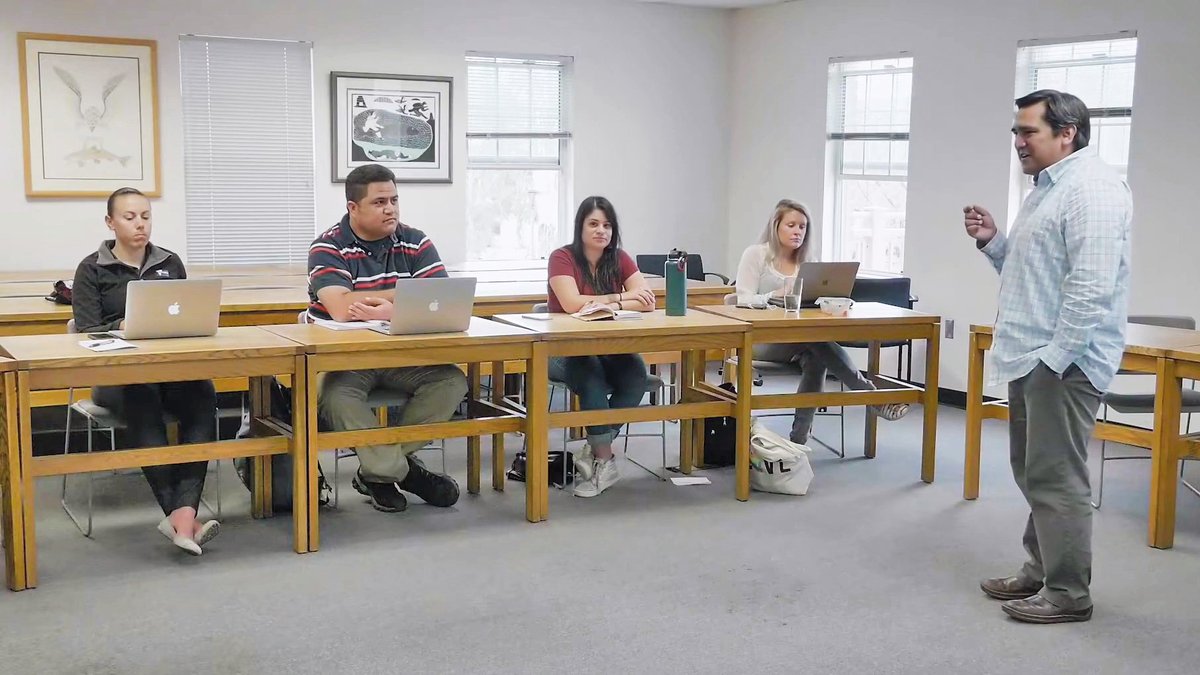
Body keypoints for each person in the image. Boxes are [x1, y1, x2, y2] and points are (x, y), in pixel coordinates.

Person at [966, 89, 1132, 624]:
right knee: (1035, 471)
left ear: (1068, 133)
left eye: (1028, 131)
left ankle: (1068, 593)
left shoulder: (1094, 189)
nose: (1018, 141)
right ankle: (1040, 569)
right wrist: (994, 242)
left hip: (1062, 361)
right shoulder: (1047, 188)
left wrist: (1056, 359)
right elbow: (1032, 273)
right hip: (1031, 353)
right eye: (1016, 132)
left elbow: (1090, 288)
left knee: (1055, 476)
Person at [308, 164, 468, 513]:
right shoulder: (327, 246)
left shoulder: (415, 240)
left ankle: (378, 471)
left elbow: (442, 298)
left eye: (394, 200)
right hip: (344, 362)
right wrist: (408, 295)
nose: (391, 209)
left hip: (403, 357)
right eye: (380, 202)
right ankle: (403, 472)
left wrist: (387, 310)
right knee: (336, 398)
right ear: (353, 207)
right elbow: (341, 307)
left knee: (452, 382)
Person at [71, 187, 219, 556]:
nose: (140, 224)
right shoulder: (92, 269)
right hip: (116, 376)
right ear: (110, 222)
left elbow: (186, 315)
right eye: (129, 217)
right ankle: (181, 515)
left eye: (145, 216)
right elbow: (88, 329)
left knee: (202, 394)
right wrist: (125, 323)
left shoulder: (170, 261)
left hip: (167, 370)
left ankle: (181, 515)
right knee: (142, 398)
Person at [735, 199, 909, 446]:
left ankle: (797, 442)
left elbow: (811, 303)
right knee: (817, 343)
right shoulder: (756, 255)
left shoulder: (808, 263)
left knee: (816, 353)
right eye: (791, 225)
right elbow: (741, 299)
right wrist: (774, 295)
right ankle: (871, 395)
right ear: (776, 227)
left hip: (800, 340)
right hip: (760, 340)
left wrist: (833, 304)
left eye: (803, 227)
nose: (798, 232)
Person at [547, 196, 655, 497]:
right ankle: (604, 460)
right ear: (580, 227)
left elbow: (647, 301)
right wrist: (618, 297)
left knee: (636, 374)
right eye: (593, 224)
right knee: (591, 376)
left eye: (607, 225)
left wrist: (611, 299)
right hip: (560, 349)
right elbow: (570, 304)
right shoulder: (562, 257)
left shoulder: (619, 258)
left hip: (608, 345)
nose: (601, 231)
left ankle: (595, 449)